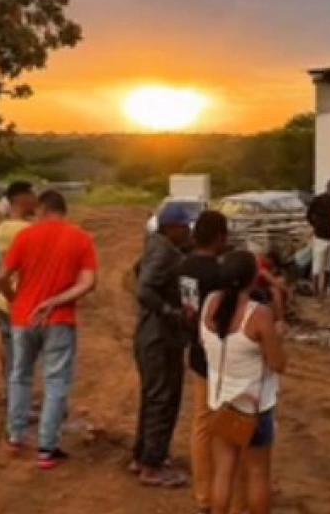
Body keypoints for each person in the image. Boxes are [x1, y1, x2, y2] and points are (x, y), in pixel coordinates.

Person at [0, 190, 98, 470]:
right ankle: (46, 448)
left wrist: (16, 300)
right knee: (56, 382)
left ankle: (15, 436)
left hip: (23, 318)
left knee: (20, 375)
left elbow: (1, 276)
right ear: (63, 210)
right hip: (59, 320)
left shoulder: (25, 237)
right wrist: (56, 300)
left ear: (41, 210)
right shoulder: (81, 238)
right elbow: (88, 283)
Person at [202, 250, 287, 514]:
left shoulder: (210, 303)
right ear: (253, 278)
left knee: (223, 471)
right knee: (258, 473)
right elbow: (278, 363)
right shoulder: (258, 315)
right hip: (254, 406)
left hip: (220, 402)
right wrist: (279, 326)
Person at [131, 204, 194, 487]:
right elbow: (143, 287)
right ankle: (151, 466)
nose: (189, 230)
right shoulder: (164, 251)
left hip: (153, 334)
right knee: (162, 398)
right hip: (159, 337)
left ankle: (144, 455)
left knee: (154, 396)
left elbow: (137, 271)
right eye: (185, 226)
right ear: (172, 228)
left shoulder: (157, 247)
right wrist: (170, 311)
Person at [177, 211, 236, 510]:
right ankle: (228, 495)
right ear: (219, 238)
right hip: (221, 355)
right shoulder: (218, 274)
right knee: (228, 425)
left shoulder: (184, 265)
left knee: (201, 424)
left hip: (196, 350)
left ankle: (203, 496)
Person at [0, 181, 37, 402]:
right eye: (32, 194)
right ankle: (18, 402)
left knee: (9, 349)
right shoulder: (26, 231)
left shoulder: (3, 227)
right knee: (22, 358)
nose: (36, 199)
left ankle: (9, 393)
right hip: (20, 300)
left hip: (3, 300)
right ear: (22, 198)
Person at [307, 179, 330, 298]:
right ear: (327, 187)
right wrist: (315, 225)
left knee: (328, 266)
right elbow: (309, 214)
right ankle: (316, 290)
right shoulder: (318, 200)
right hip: (320, 236)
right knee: (317, 266)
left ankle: (324, 290)